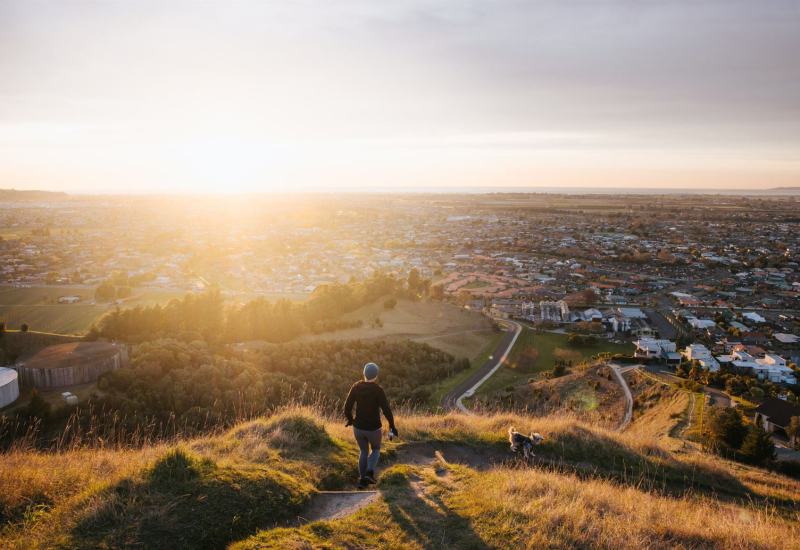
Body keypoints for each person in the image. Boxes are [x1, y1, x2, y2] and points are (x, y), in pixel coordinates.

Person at [344, 362, 397, 487]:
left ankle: (363, 481)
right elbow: (386, 410)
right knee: (376, 449)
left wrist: (350, 420)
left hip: (358, 427)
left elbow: (347, 407)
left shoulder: (355, 387)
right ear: (376, 376)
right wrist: (392, 426)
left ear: (364, 374)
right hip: (373, 428)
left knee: (363, 451)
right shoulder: (378, 390)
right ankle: (369, 473)